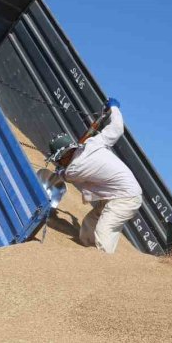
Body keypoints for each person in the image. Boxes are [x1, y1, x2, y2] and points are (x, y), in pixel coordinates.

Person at [52, 98, 142, 254]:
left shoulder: (75, 168)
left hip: (126, 198)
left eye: (59, 159)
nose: (59, 162)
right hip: (114, 194)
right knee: (89, 225)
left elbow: (66, 175)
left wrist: (58, 171)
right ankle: (87, 255)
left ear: (65, 155)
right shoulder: (93, 142)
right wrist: (114, 108)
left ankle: (103, 268)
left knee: (103, 231)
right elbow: (117, 128)